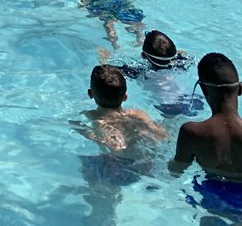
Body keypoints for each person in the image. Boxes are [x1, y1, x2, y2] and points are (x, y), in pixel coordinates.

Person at [174, 53, 242, 200]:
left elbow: (176, 170)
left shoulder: (192, 133)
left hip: (212, 200)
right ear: (241, 89)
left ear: (203, 89)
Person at [81, 65, 167, 152]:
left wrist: (85, 132)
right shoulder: (138, 114)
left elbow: (117, 149)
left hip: (119, 161)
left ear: (90, 94)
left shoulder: (96, 120)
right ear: (125, 97)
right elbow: (162, 135)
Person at [119, 30, 202, 117]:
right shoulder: (180, 63)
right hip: (192, 100)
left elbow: (108, 71)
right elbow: (183, 54)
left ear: (143, 55)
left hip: (167, 108)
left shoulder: (140, 72)